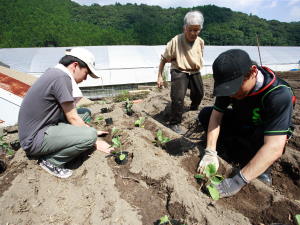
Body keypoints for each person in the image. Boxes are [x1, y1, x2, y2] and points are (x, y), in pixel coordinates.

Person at [197, 49, 295, 198]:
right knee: (206, 114)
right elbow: (216, 117)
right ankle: (226, 151)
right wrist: (210, 151)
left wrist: (238, 181)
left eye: (234, 88)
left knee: (264, 136)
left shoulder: (279, 94)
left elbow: (275, 145)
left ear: (253, 72)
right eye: (226, 89)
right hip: (242, 120)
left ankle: (261, 169)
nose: (230, 94)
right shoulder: (229, 87)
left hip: (264, 132)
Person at [18, 47, 112, 179]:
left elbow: (72, 113)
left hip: (43, 125)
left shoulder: (56, 73)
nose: (85, 78)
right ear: (75, 66)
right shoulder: (61, 78)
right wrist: (94, 141)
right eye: (86, 73)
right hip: (34, 139)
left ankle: (77, 136)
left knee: (84, 112)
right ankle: (52, 162)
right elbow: (72, 117)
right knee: (89, 136)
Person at [157, 10, 205, 135]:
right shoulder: (175, 41)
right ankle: (174, 122)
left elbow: (199, 57)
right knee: (178, 98)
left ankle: (193, 109)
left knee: (199, 93)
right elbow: (163, 60)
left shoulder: (200, 42)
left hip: (194, 71)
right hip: (179, 70)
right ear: (184, 28)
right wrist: (159, 76)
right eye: (190, 30)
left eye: (197, 30)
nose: (193, 33)